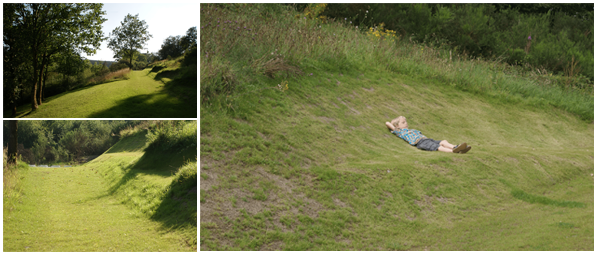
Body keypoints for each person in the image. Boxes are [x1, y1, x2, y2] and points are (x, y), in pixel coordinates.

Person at [385, 116, 471, 154]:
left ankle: (455, 147)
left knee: (443, 141)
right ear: (397, 126)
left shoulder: (410, 130)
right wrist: (394, 126)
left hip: (426, 139)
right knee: (437, 147)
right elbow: (387, 123)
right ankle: (453, 151)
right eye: (403, 122)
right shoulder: (399, 132)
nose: (406, 123)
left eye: (406, 121)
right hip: (420, 142)